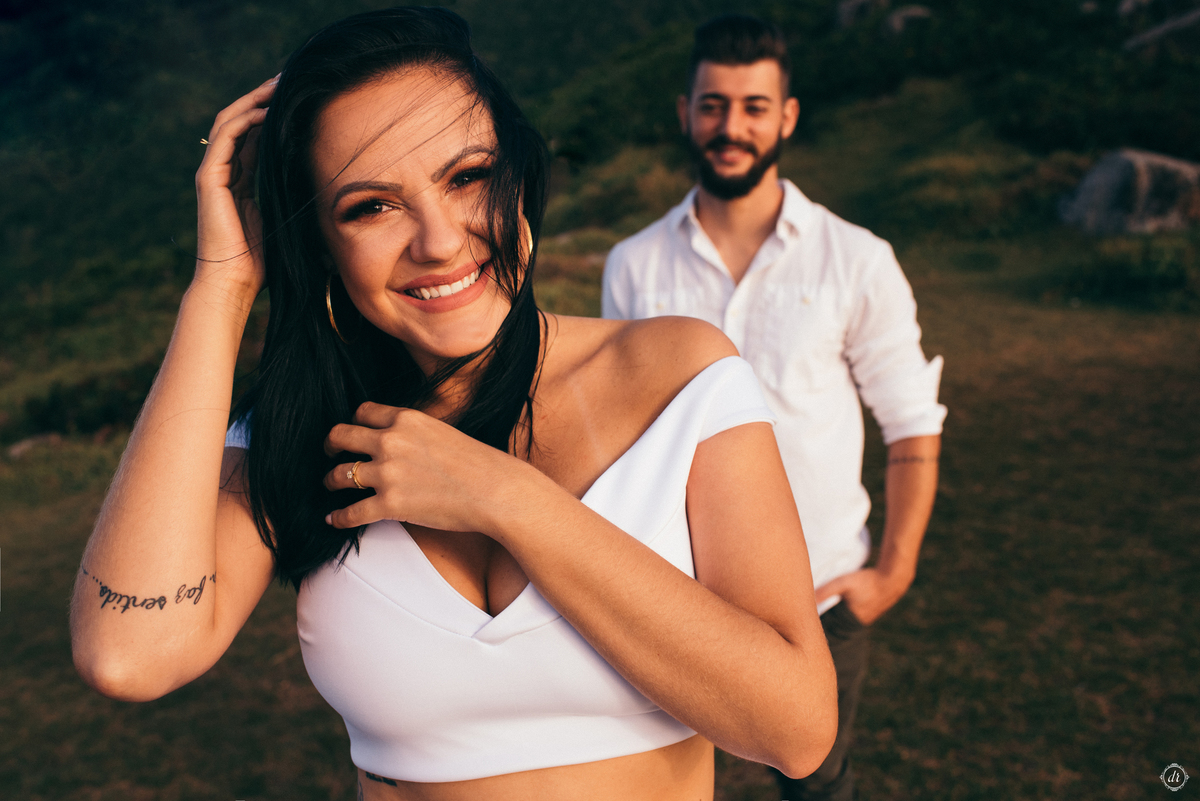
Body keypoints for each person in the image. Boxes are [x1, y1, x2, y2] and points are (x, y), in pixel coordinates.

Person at [68, 7, 837, 800]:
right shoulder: (299, 434)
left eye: (466, 176)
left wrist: (505, 498)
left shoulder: (678, 372)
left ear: (515, 178)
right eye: (371, 205)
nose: (438, 239)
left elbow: (796, 729)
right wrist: (222, 286)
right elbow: (128, 652)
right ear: (321, 245)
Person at [602, 14, 946, 801]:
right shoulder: (633, 264)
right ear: (685, 112)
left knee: (816, 783)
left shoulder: (855, 258)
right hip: (677, 594)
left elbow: (911, 420)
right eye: (714, 104)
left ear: (786, 117)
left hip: (825, 589)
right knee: (673, 782)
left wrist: (891, 570)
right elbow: (622, 431)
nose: (733, 126)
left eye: (755, 106)